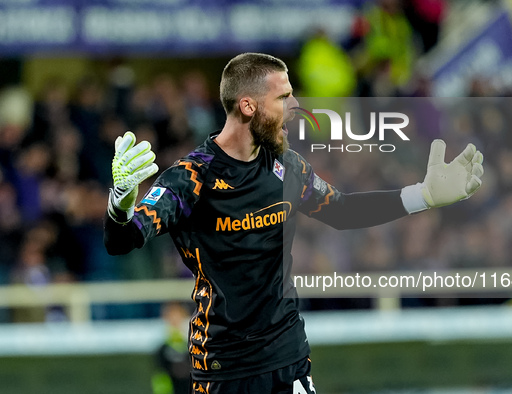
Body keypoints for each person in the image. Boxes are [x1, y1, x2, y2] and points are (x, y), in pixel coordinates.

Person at [104, 53, 484, 394]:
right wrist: (120, 203)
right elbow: (123, 239)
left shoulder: (289, 168)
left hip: (288, 360)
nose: (297, 105)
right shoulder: (191, 178)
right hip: (223, 367)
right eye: (284, 97)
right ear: (249, 105)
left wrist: (425, 195)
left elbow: (343, 210)